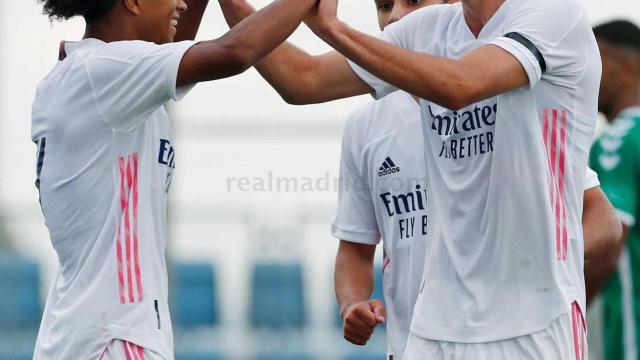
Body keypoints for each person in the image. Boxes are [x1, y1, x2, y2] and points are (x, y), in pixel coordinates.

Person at [221, 0, 602, 358]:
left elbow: (460, 86)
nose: (395, 15)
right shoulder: (424, 32)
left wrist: (333, 28)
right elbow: (303, 79)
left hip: (535, 322)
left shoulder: (554, 13)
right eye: (385, 5)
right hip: (432, 328)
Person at [31, 0, 318, 358]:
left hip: (89, 334)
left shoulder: (98, 74)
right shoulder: (107, 69)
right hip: (114, 339)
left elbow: (170, 51)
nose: (181, 3)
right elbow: (236, 51)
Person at [587, 20, 640, 360]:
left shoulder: (618, 143)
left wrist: (559, 317)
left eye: (593, 61)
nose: (582, 73)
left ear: (627, 64)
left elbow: (605, 246)